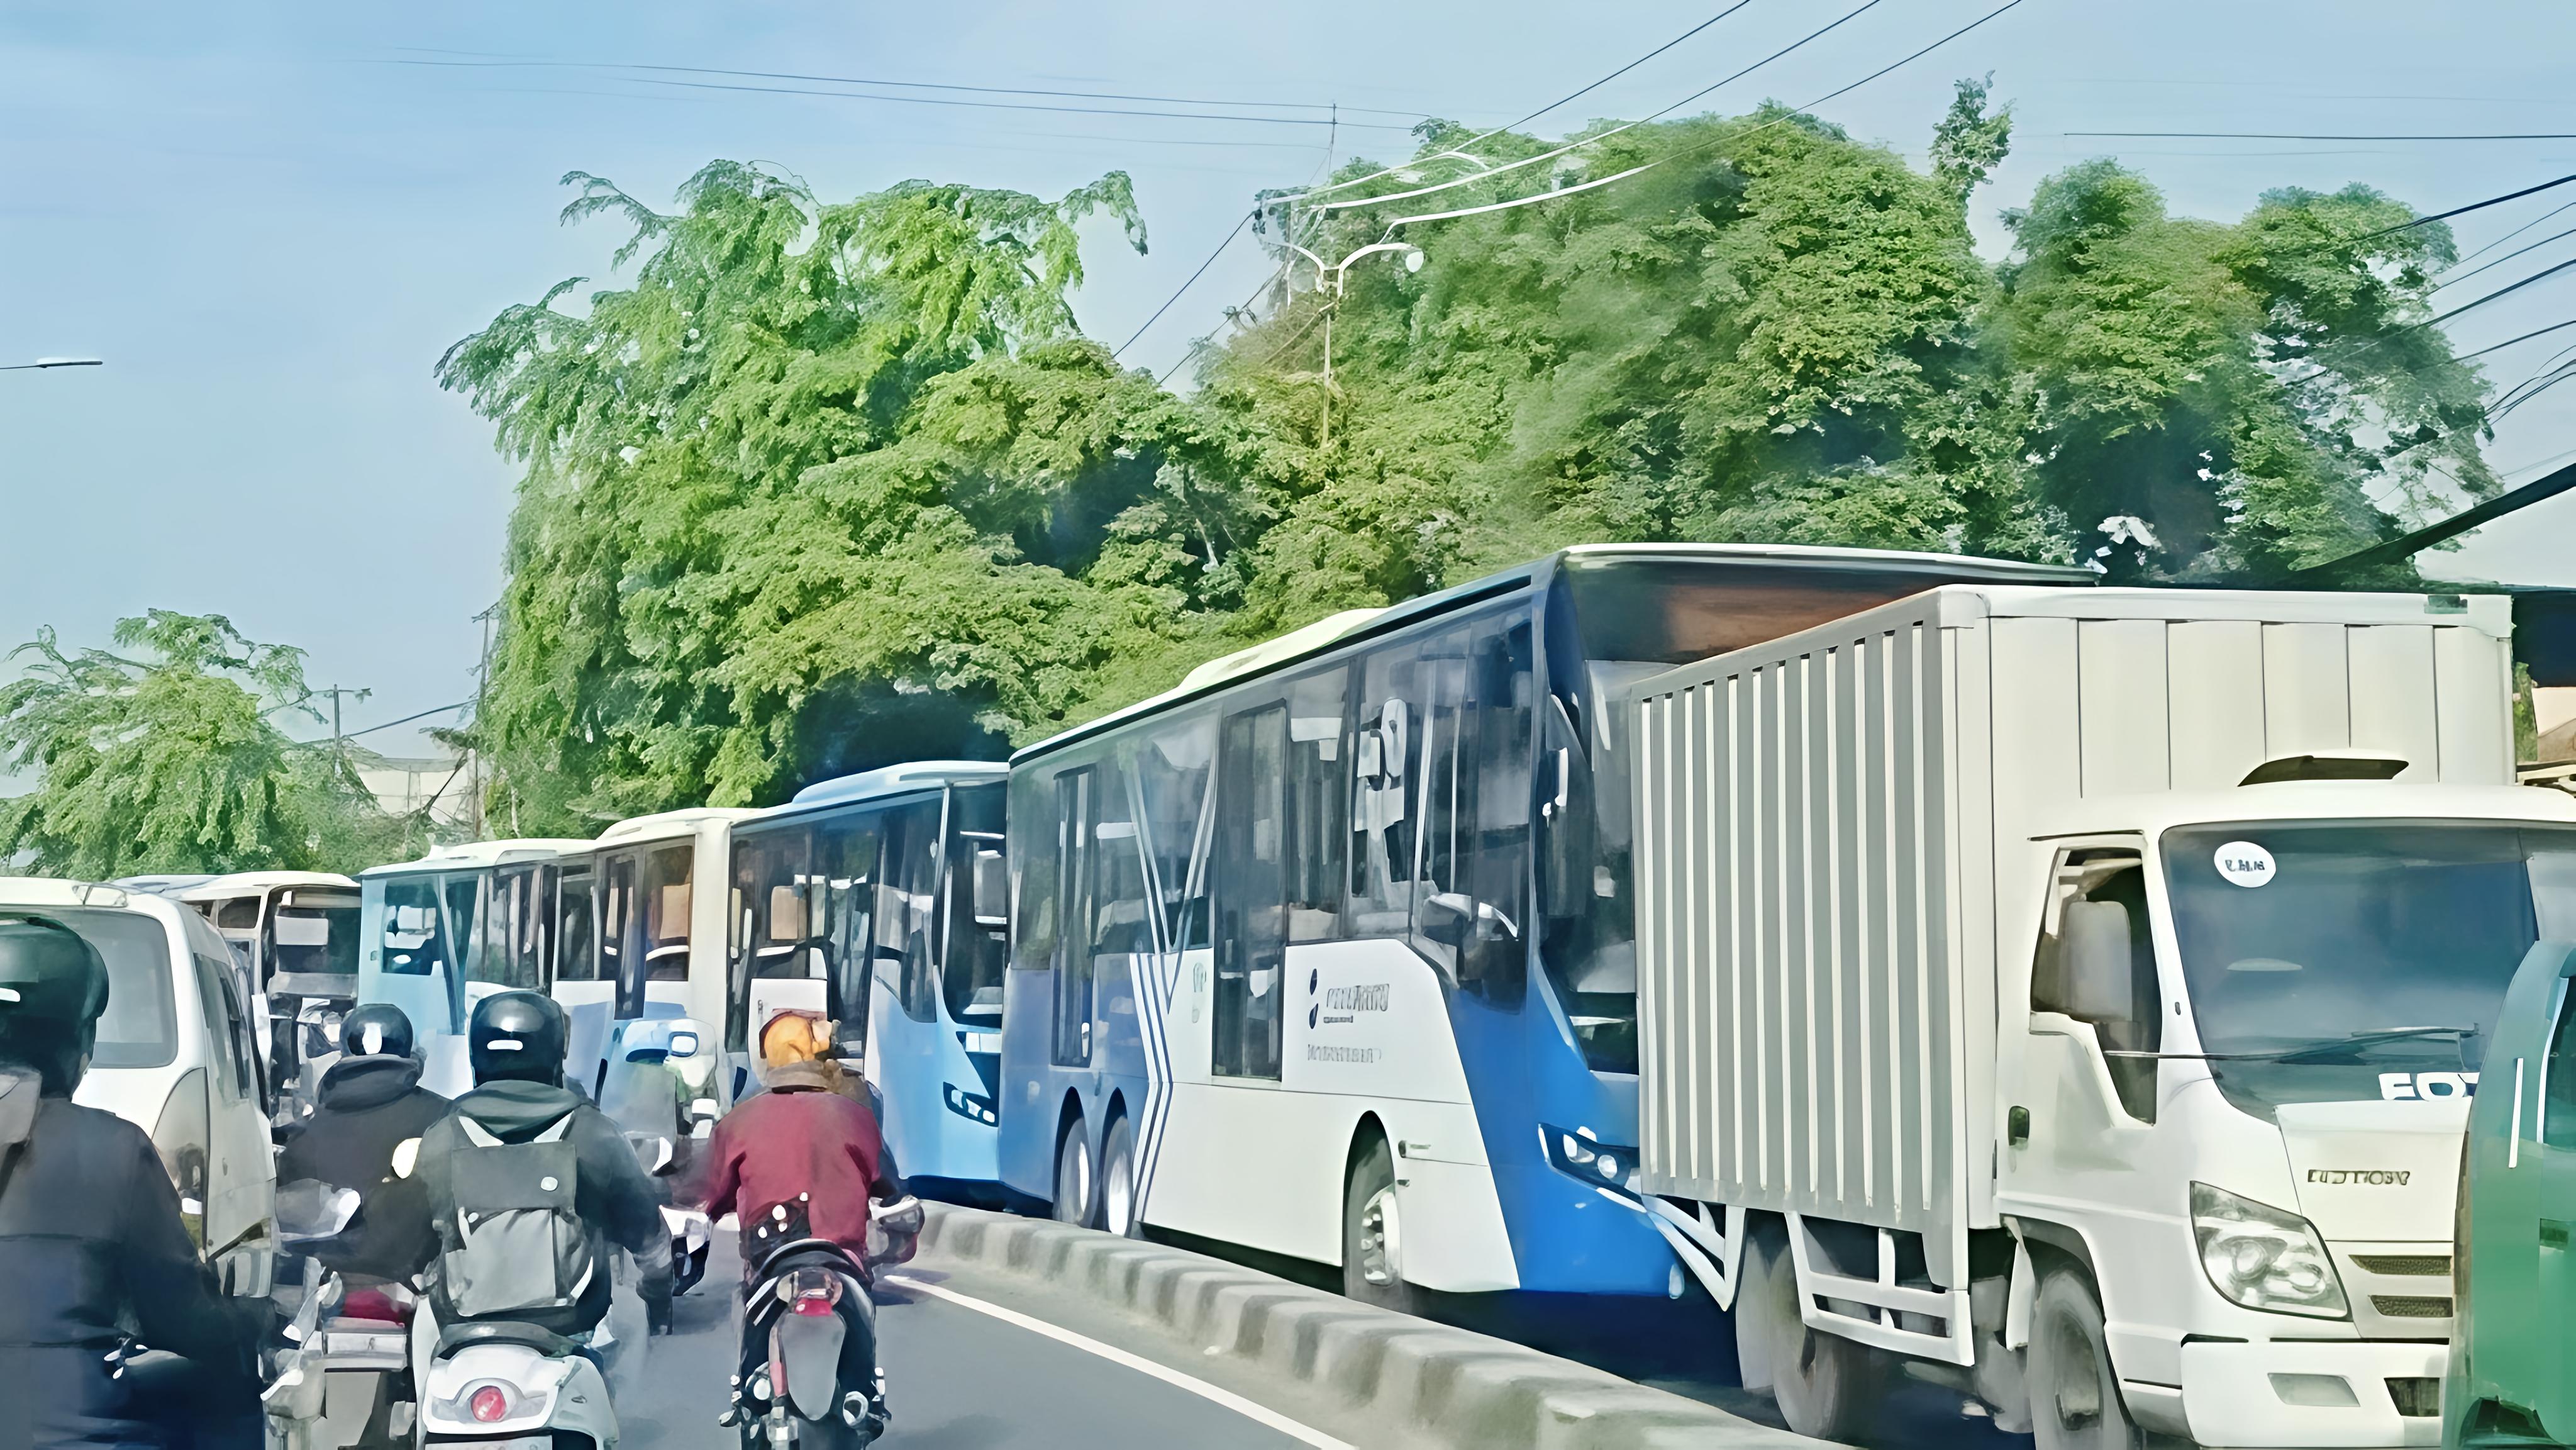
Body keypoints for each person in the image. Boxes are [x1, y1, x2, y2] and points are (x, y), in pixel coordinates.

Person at [0, 913, 267, 1450]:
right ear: (76, 1041)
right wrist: (254, 1318)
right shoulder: (111, 1149)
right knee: (227, 1387)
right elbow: (188, 1321)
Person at [411, 990, 674, 1341]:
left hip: (463, 1331)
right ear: (555, 1054)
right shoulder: (593, 1133)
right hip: (572, 1330)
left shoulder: (441, 1137)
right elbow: (648, 1238)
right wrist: (658, 1296)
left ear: (476, 1055)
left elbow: (414, 1238)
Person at [701, 1012, 902, 1432]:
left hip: (770, 1262)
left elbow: (709, 1196)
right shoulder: (856, 1115)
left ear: (769, 1061)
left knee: (750, 1326)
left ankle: (747, 1394)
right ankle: (866, 1393)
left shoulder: (738, 1121)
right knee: (863, 1320)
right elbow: (890, 1187)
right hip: (844, 1261)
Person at [273, 1003, 449, 1285]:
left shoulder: (306, 1135)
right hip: (423, 1289)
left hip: (327, 1293)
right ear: (407, 1051)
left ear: (344, 1053)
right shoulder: (447, 1119)